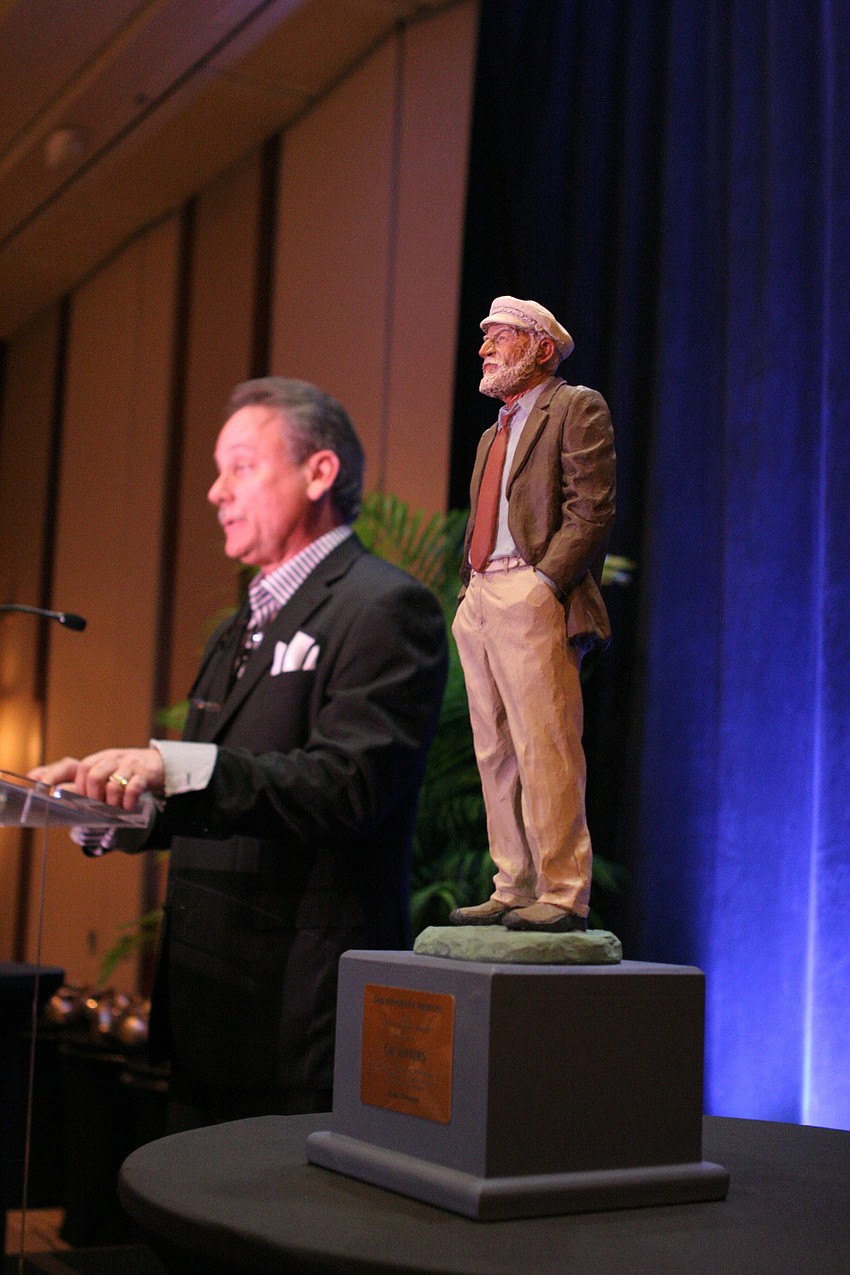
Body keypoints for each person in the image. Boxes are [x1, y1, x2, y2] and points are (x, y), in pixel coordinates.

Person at [31, 377, 448, 1128]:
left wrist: (173, 763)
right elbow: (216, 799)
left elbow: (347, 786)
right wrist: (108, 802)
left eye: (242, 466)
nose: (216, 491)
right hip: (206, 1014)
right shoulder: (239, 626)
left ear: (319, 472)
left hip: (297, 1026)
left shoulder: (385, 607)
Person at [449, 297, 615, 933]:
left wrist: (546, 582)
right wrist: (470, 590)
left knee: (545, 744)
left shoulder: (575, 407)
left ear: (540, 348)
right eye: (485, 336)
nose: (485, 348)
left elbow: (590, 508)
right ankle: (511, 883)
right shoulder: (494, 431)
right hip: (482, 595)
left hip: (532, 589)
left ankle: (564, 889)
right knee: (493, 748)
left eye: (499, 337)